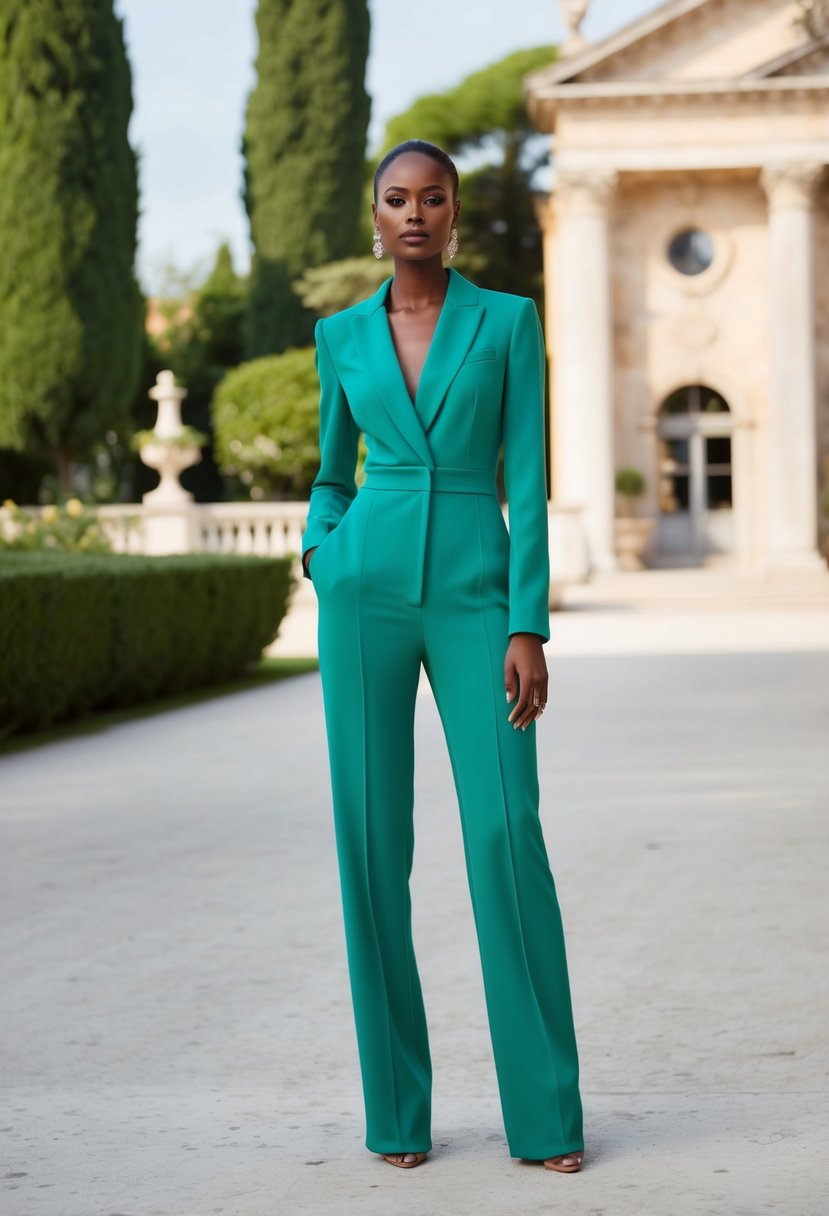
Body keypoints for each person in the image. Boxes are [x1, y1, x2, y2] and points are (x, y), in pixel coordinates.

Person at [300, 139, 584, 1174]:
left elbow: (529, 479)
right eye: (395, 199)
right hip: (364, 596)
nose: (413, 214)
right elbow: (332, 473)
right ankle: (397, 1114)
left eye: (433, 198)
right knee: (371, 848)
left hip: (475, 594)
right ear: (371, 214)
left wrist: (527, 622)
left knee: (506, 836)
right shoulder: (339, 336)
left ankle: (548, 1115)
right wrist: (322, 554)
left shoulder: (506, 322)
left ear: (454, 213)